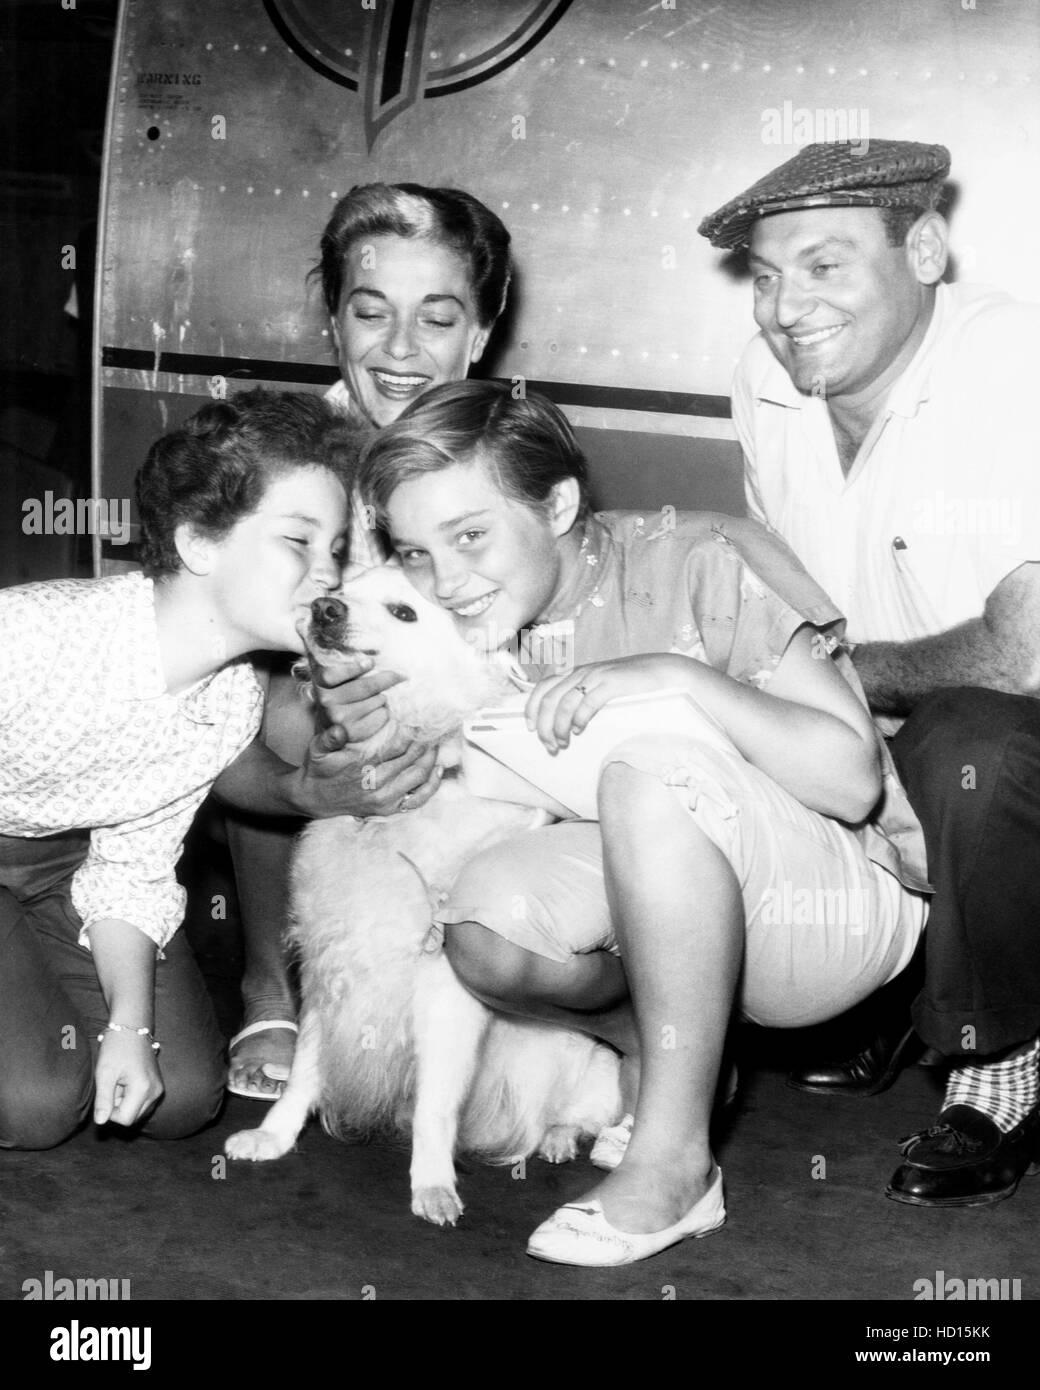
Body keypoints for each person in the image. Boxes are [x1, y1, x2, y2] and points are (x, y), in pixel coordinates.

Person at [350, 378, 929, 1265]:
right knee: (484, 923)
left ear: (559, 502)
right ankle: (673, 1067)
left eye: (470, 536)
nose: (446, 580)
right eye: (416, 553)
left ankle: (676, 1166)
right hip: (677, 888)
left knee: (648, 770)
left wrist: (679, 677)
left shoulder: (704, 556)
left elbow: (853, 783)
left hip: (842, 905)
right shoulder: (491, 624)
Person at [698, 138, 1040, 1206]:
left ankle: (997, 1062)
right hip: (883, 725)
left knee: (967, 739)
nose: (784, 306)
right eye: (765, 275)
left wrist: (834, 679)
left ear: (925, 250)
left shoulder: (1012, 361)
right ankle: (892, 982)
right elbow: (778, 586)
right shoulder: (767, 376)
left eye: (823, 264)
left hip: (1008, 738)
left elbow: (1025, 653)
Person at [0, 390, 357, 1148]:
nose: (328, 575)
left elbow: (131, 871)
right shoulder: (34, 637)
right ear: (199, 543)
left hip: (66, 866)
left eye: (337, 550)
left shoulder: (227, 703)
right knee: (35, 1105)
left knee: (184, 1094)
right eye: (299, 541)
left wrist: (129, 1025)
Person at [225, 182, 515, 1099]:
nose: (399, 350)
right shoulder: (279, 456)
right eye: (370, 312)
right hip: (279, 720)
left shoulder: (509, 453)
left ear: (480, 332)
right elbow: (197, 676)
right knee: (284, 709)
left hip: (459, 741)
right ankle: (271, 983)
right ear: (333, 323)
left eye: (436, 317)